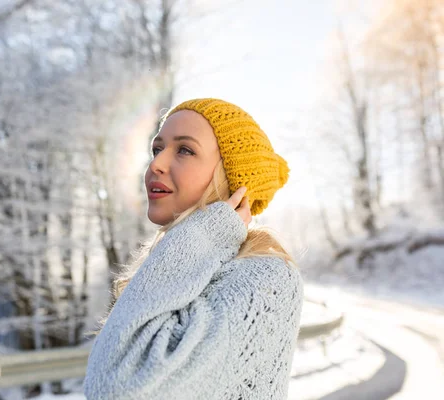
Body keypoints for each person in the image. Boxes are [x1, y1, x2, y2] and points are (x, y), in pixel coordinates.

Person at [83, 98, 304, 400]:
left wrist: (206, 234)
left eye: (185, 150)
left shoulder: (267, 278)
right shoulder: (184, 265)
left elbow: (119, 389)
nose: (155, 164)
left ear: (232, 178)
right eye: (157, 149)